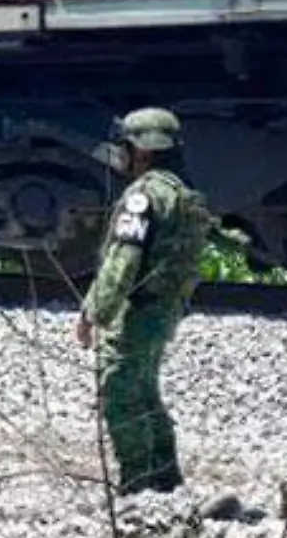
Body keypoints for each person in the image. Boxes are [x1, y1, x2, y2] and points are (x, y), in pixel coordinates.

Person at [74, 107, 214, 496]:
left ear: (144, 150)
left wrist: (94, 313)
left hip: (139, 309)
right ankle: (167, 479)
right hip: (166, 310)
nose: (122, 154)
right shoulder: (185, 196)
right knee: (145, 390)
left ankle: (136, 484)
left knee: (119, 388)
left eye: (127, 146)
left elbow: (124, 258)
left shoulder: (144, 196)